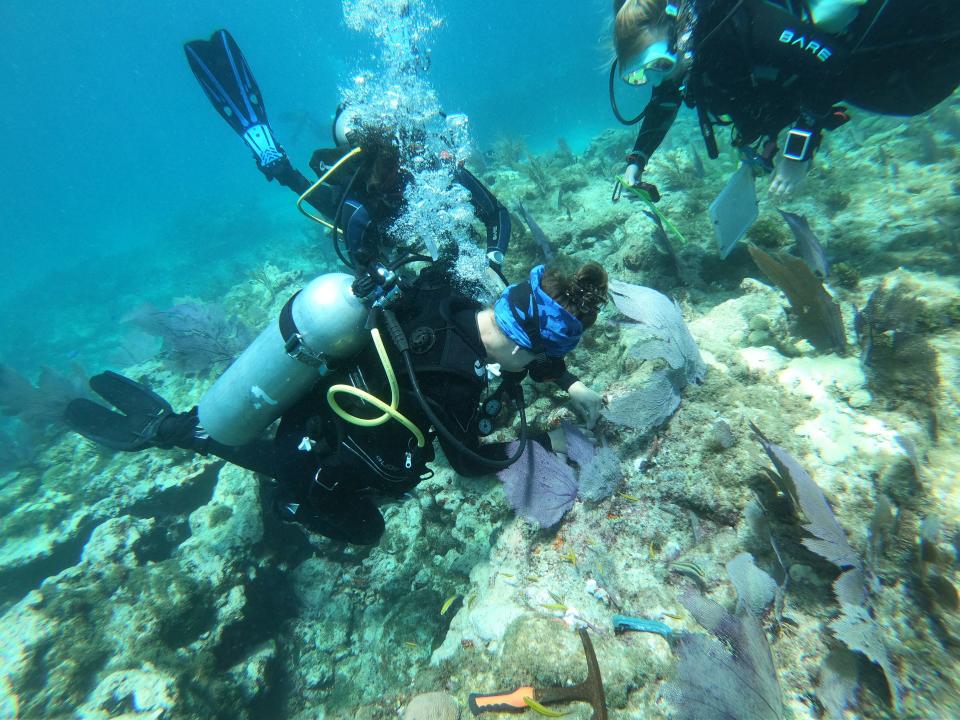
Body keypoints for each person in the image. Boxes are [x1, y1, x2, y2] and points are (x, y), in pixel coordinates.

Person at [65, 261, 609, 545]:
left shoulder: (451, 296)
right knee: (364, 528)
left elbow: (529, 347)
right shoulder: (453, 381)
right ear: (519, 344)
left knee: (227, 433)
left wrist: (569, 383)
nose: (529, 368)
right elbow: (470, 464)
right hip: (318, 453)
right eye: (536, 357)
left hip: (312, 402)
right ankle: (193, 446)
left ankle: (177, 427)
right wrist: (549, 438)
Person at [183, 29, 512, 288]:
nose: (397, 181)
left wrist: (493, 258)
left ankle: (281, 161)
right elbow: (358, 247)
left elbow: (495, 212)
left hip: (369, 173)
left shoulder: (436, 171)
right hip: (357, 187)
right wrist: (374, 275)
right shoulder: (362, 201)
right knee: (331, 201)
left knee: (323, 193)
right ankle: (274, 158)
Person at [610, 0, 960, 199]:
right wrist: (636, 161)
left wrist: (798, 151)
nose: (656, 79)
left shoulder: (744, 25)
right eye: (639, 75)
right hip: (835, 78)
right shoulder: (684, 62)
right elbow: (665, 101)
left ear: (680, 37)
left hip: (893, 46)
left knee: (922, 75)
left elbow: (833, 62)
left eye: (658, 66)